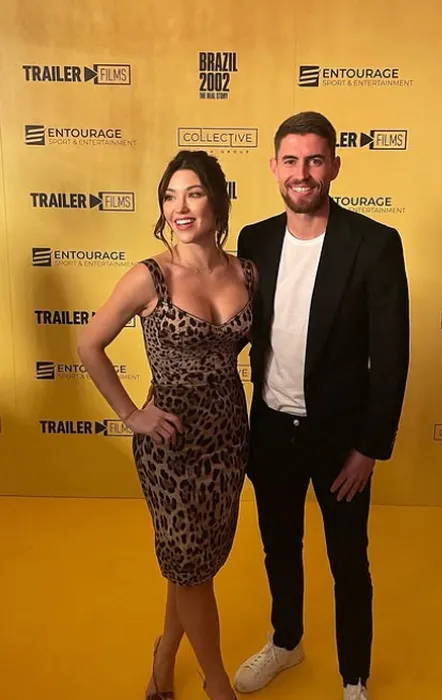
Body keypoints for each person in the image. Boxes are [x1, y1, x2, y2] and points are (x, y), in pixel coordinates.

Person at [234, 112, 410, 700]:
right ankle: (287, 642)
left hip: (342, 442)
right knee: (280, 548)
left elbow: (392, 357)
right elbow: (238, 328)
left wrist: (369, 448)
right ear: (274, 167)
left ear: (334, 165)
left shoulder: (375, 244)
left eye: (314, 160)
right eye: (291, 160)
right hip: (271, 432)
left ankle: (354, 677)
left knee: (348, 562)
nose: (302, 173)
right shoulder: (254, 240)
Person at [77, 150, 256, 700]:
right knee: (191, 567)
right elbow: (89, 344)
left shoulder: (246, 272)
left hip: (229, 439)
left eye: (193, 193)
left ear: (217, 201)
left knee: (192, 565)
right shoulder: (149, 276)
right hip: (171, 444)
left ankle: (164, 658)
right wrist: (132, 414)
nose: (180, 207)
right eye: (170, 196)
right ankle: (217, 684)